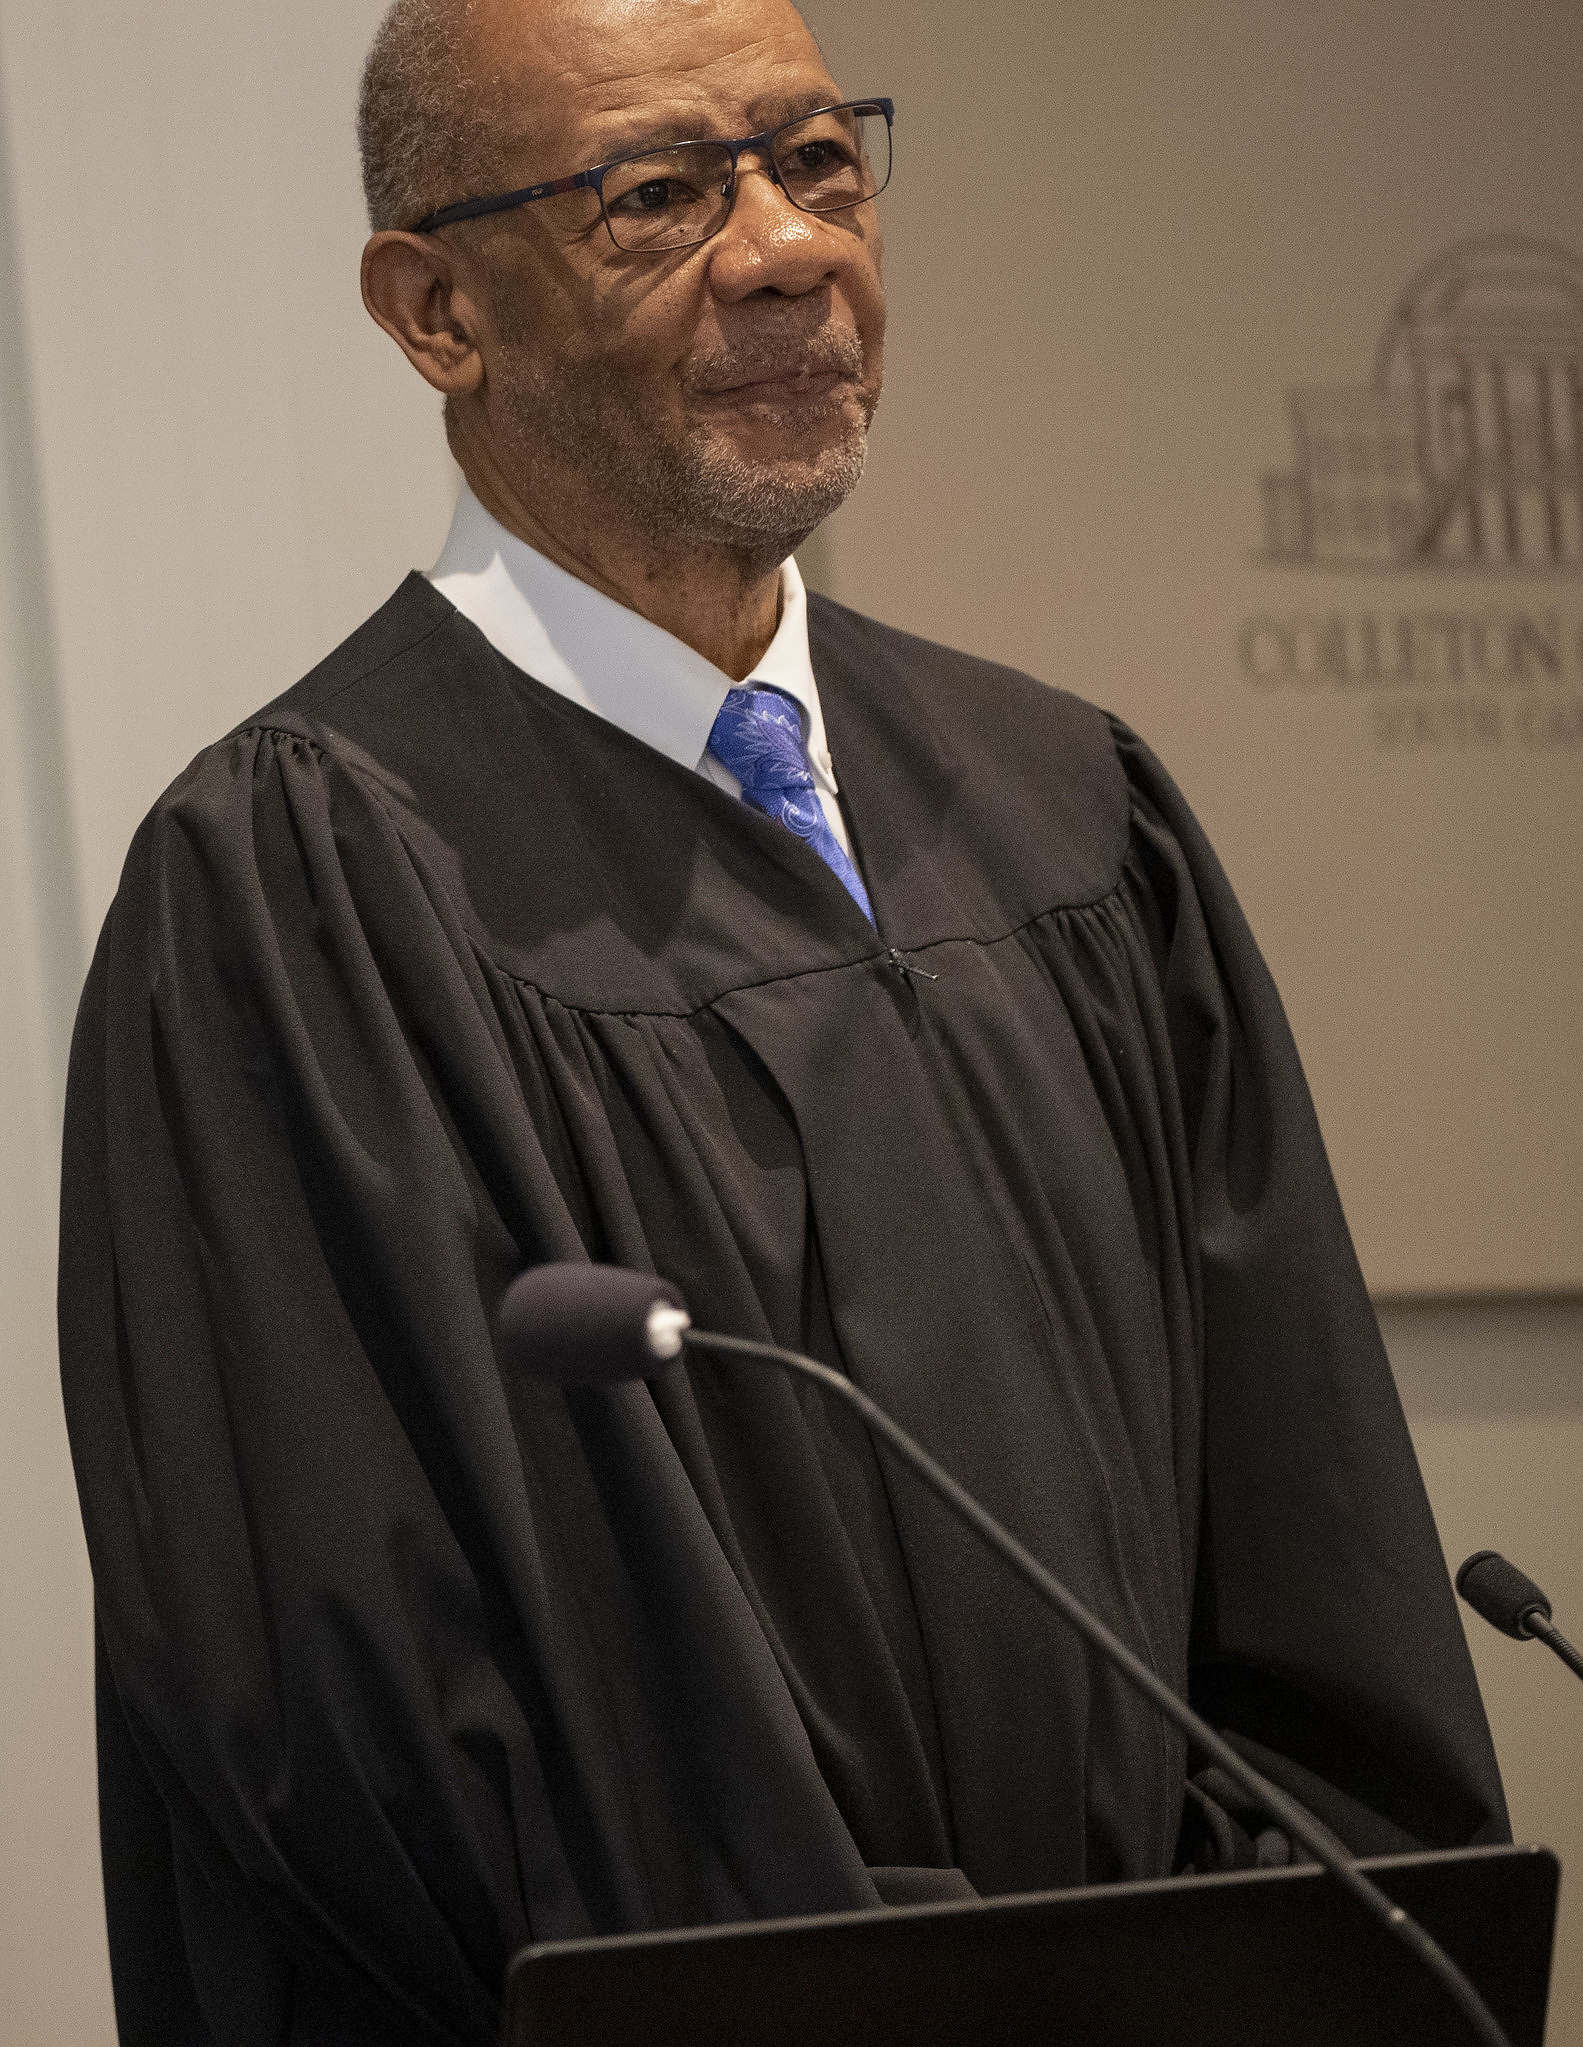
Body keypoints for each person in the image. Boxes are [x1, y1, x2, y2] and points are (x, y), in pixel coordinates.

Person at [58, 0, 1508, 2040]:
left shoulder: (1065, 812)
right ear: (436, 312)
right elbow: (373, 1706)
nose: (788, 249)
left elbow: (1309, 1561)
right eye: (659, 194)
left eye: (820, 163)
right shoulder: (298, 894)